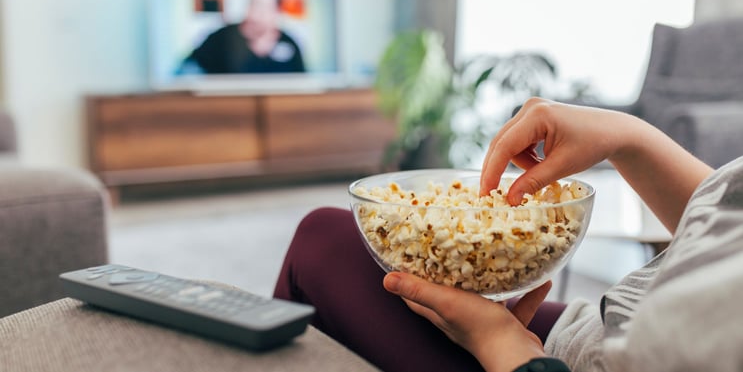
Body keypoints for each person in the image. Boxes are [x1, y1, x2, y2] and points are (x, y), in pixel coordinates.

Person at [274, 97, 743, 372]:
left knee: (316, 246)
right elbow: (726, 224)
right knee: (324, 233)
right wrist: (627, 138)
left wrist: (504, 347)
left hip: (548, 363)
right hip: (607, 326)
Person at [183, 0, 305, 74]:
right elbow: (187, 69)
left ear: (276, 11)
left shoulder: (289, 43)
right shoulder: (220, 39)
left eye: (264, 6)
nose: (257, 12)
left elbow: (303, 82)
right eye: (253, 3)